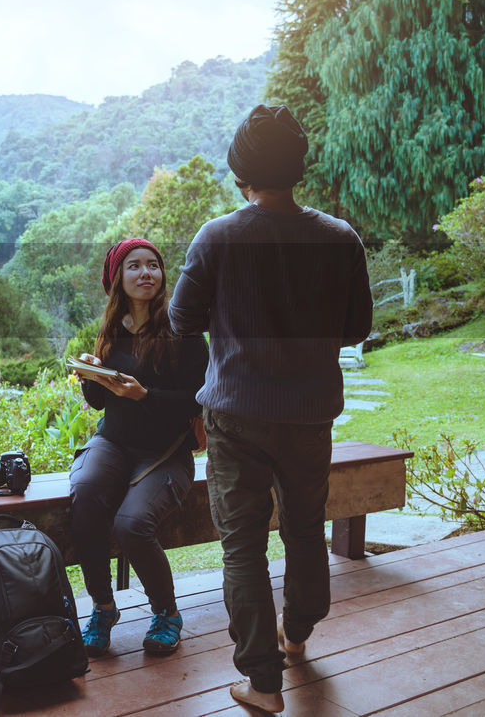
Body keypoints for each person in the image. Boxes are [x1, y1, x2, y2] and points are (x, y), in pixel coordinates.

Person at [168, 105, 372, 713]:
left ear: (240, 170)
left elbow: (182, 320)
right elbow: (357, 327)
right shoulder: (340, 238)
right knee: (307, 527)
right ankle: (298, 632)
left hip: (237, 417)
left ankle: (261, 682)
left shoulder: (219, 237)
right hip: (309, 413)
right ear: (298, 165)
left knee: (242, 545)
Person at [70, 238, 209, 657]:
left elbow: (199, 398)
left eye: (153, 265)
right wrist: (90, 376)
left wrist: (144, 396)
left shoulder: (182, 332)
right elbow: (99, 403)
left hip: (166, 452)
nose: (146, 273)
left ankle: (166, 613)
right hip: (114, 443)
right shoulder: (111, 331)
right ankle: (102, 607)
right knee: (86, 495)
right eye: (134, 266)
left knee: (131, 525)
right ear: (117, 279)